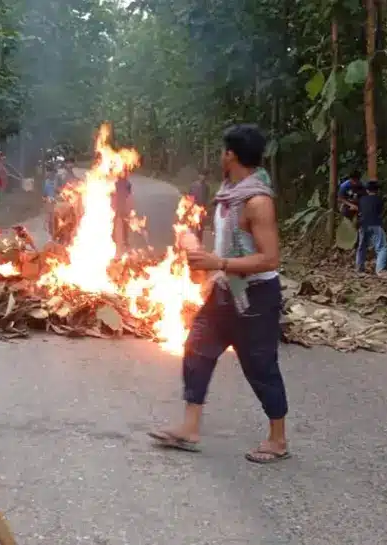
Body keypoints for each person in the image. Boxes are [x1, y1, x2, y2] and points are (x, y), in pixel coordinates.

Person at [149, 124, 289, 464]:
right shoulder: (229, 192)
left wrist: (219, 261)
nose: (218, 156)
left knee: (260, 366)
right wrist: (201, 253)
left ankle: (278, 439)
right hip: (225, 291)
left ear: (231, 155)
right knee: (196, 348)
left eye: (222, 150)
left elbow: (270, 258)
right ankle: (190, 427)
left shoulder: (256, 202)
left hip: (255, 296)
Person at [356, 180, 387, 275]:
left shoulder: (362, 200)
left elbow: (360, 212)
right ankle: (380, 269)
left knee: (361, 246)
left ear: (367, 190)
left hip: (363, 225)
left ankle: (359, 268)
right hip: (375, 224)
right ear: (377, 190)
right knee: (382, 248)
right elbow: (380, 212)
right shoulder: (379, 200)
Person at [187, 168, 212, 243]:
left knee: (200, 228)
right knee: (191, 226)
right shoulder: (193, 185)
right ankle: (189, 242)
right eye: (201, 175)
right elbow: (190, 196)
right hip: (193, 208)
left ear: (206, 177)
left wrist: (206, 209)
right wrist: (189, 208)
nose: (203, 177)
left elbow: (206, 198)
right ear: (199, 176)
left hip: (202, 209)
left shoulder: (207, 187)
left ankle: (199, 243)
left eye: (204, 175)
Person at [112, 168, 133, 251]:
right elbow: (128, 194)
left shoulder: (126, 184)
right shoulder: (117, 183)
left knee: (123, 223)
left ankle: (124, 240)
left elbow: (128, 194)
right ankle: (117, 238)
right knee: (118, 222)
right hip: (118, 205)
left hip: (121, 206)